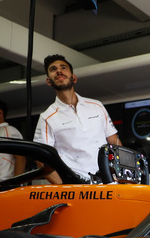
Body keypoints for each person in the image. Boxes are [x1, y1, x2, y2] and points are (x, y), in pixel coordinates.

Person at [33, 54, 121, 183]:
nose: (59, 71)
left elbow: (115, 142)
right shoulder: (47, 117)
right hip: (76, 187)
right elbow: (41, 160)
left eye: (63, 67)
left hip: (108, 183)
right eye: (53, 69)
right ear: (48, 81)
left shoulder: (96, 106)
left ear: (74, 78)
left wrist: (119, 177)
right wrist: (65, 188)